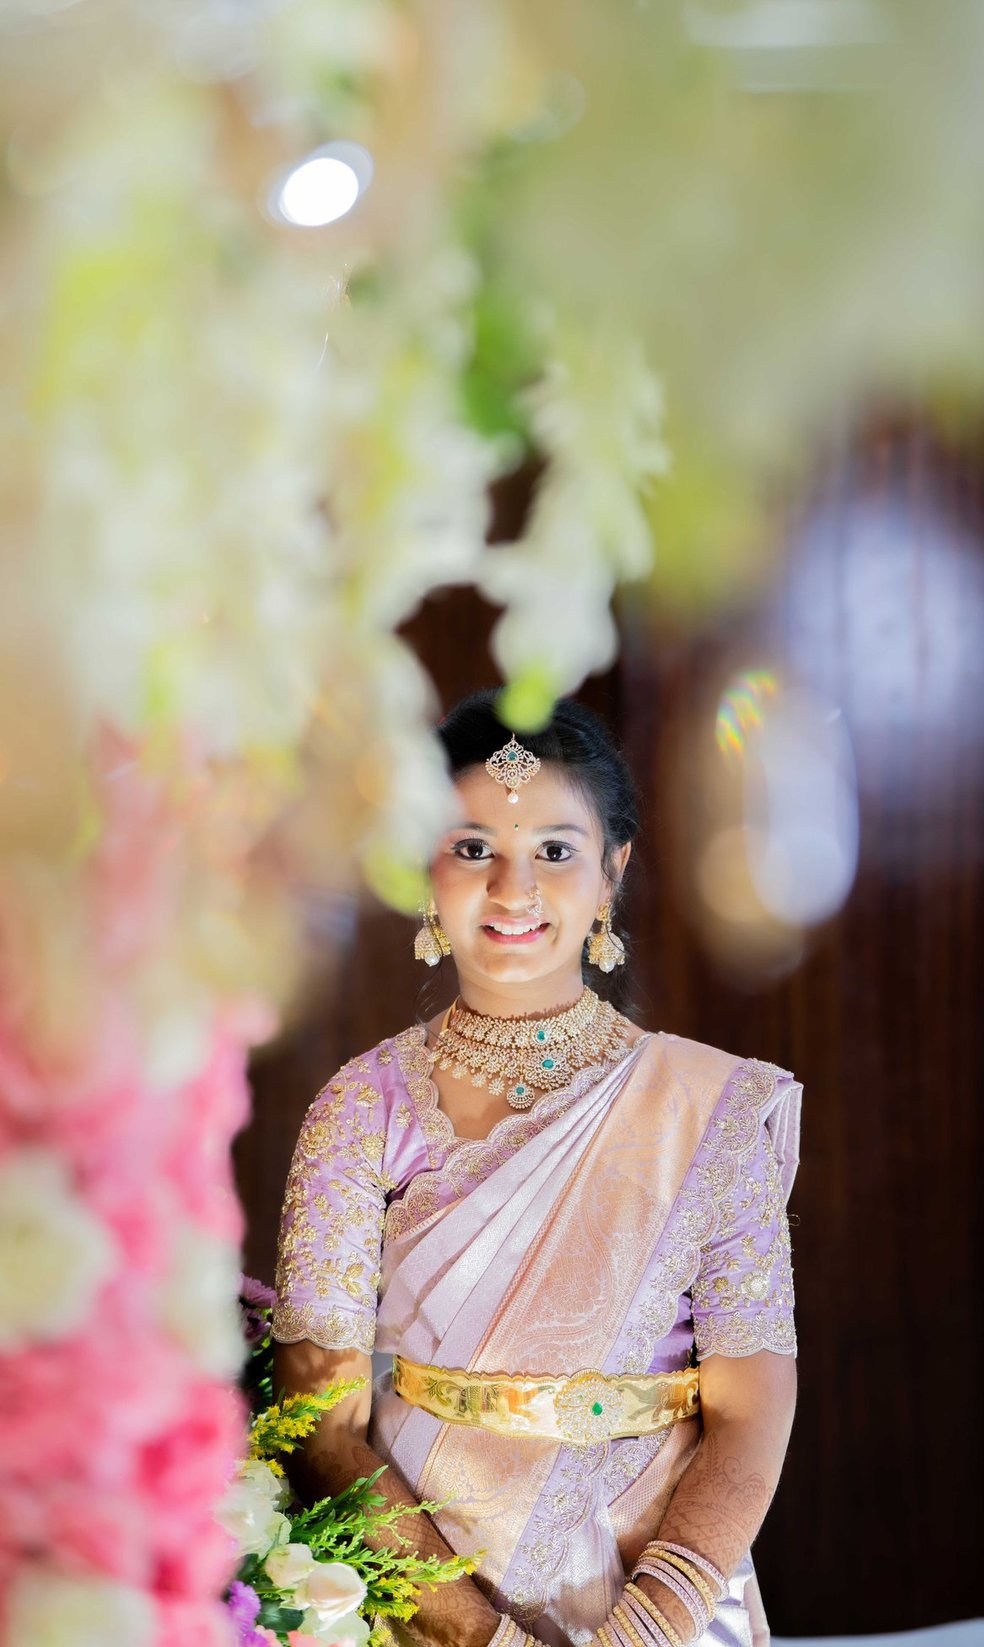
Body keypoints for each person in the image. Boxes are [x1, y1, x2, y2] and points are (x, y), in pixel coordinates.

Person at [272, 691, 802, 1647]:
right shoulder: (361, 1109)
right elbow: (326, 1427)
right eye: (473, 847)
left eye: (555, 850)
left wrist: (648, 1630)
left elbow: (752, 1407)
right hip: (428, 1610)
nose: (513, 889)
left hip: (669, 1606)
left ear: (612, 873)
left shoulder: (710, 1108)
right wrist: (483, 1637)